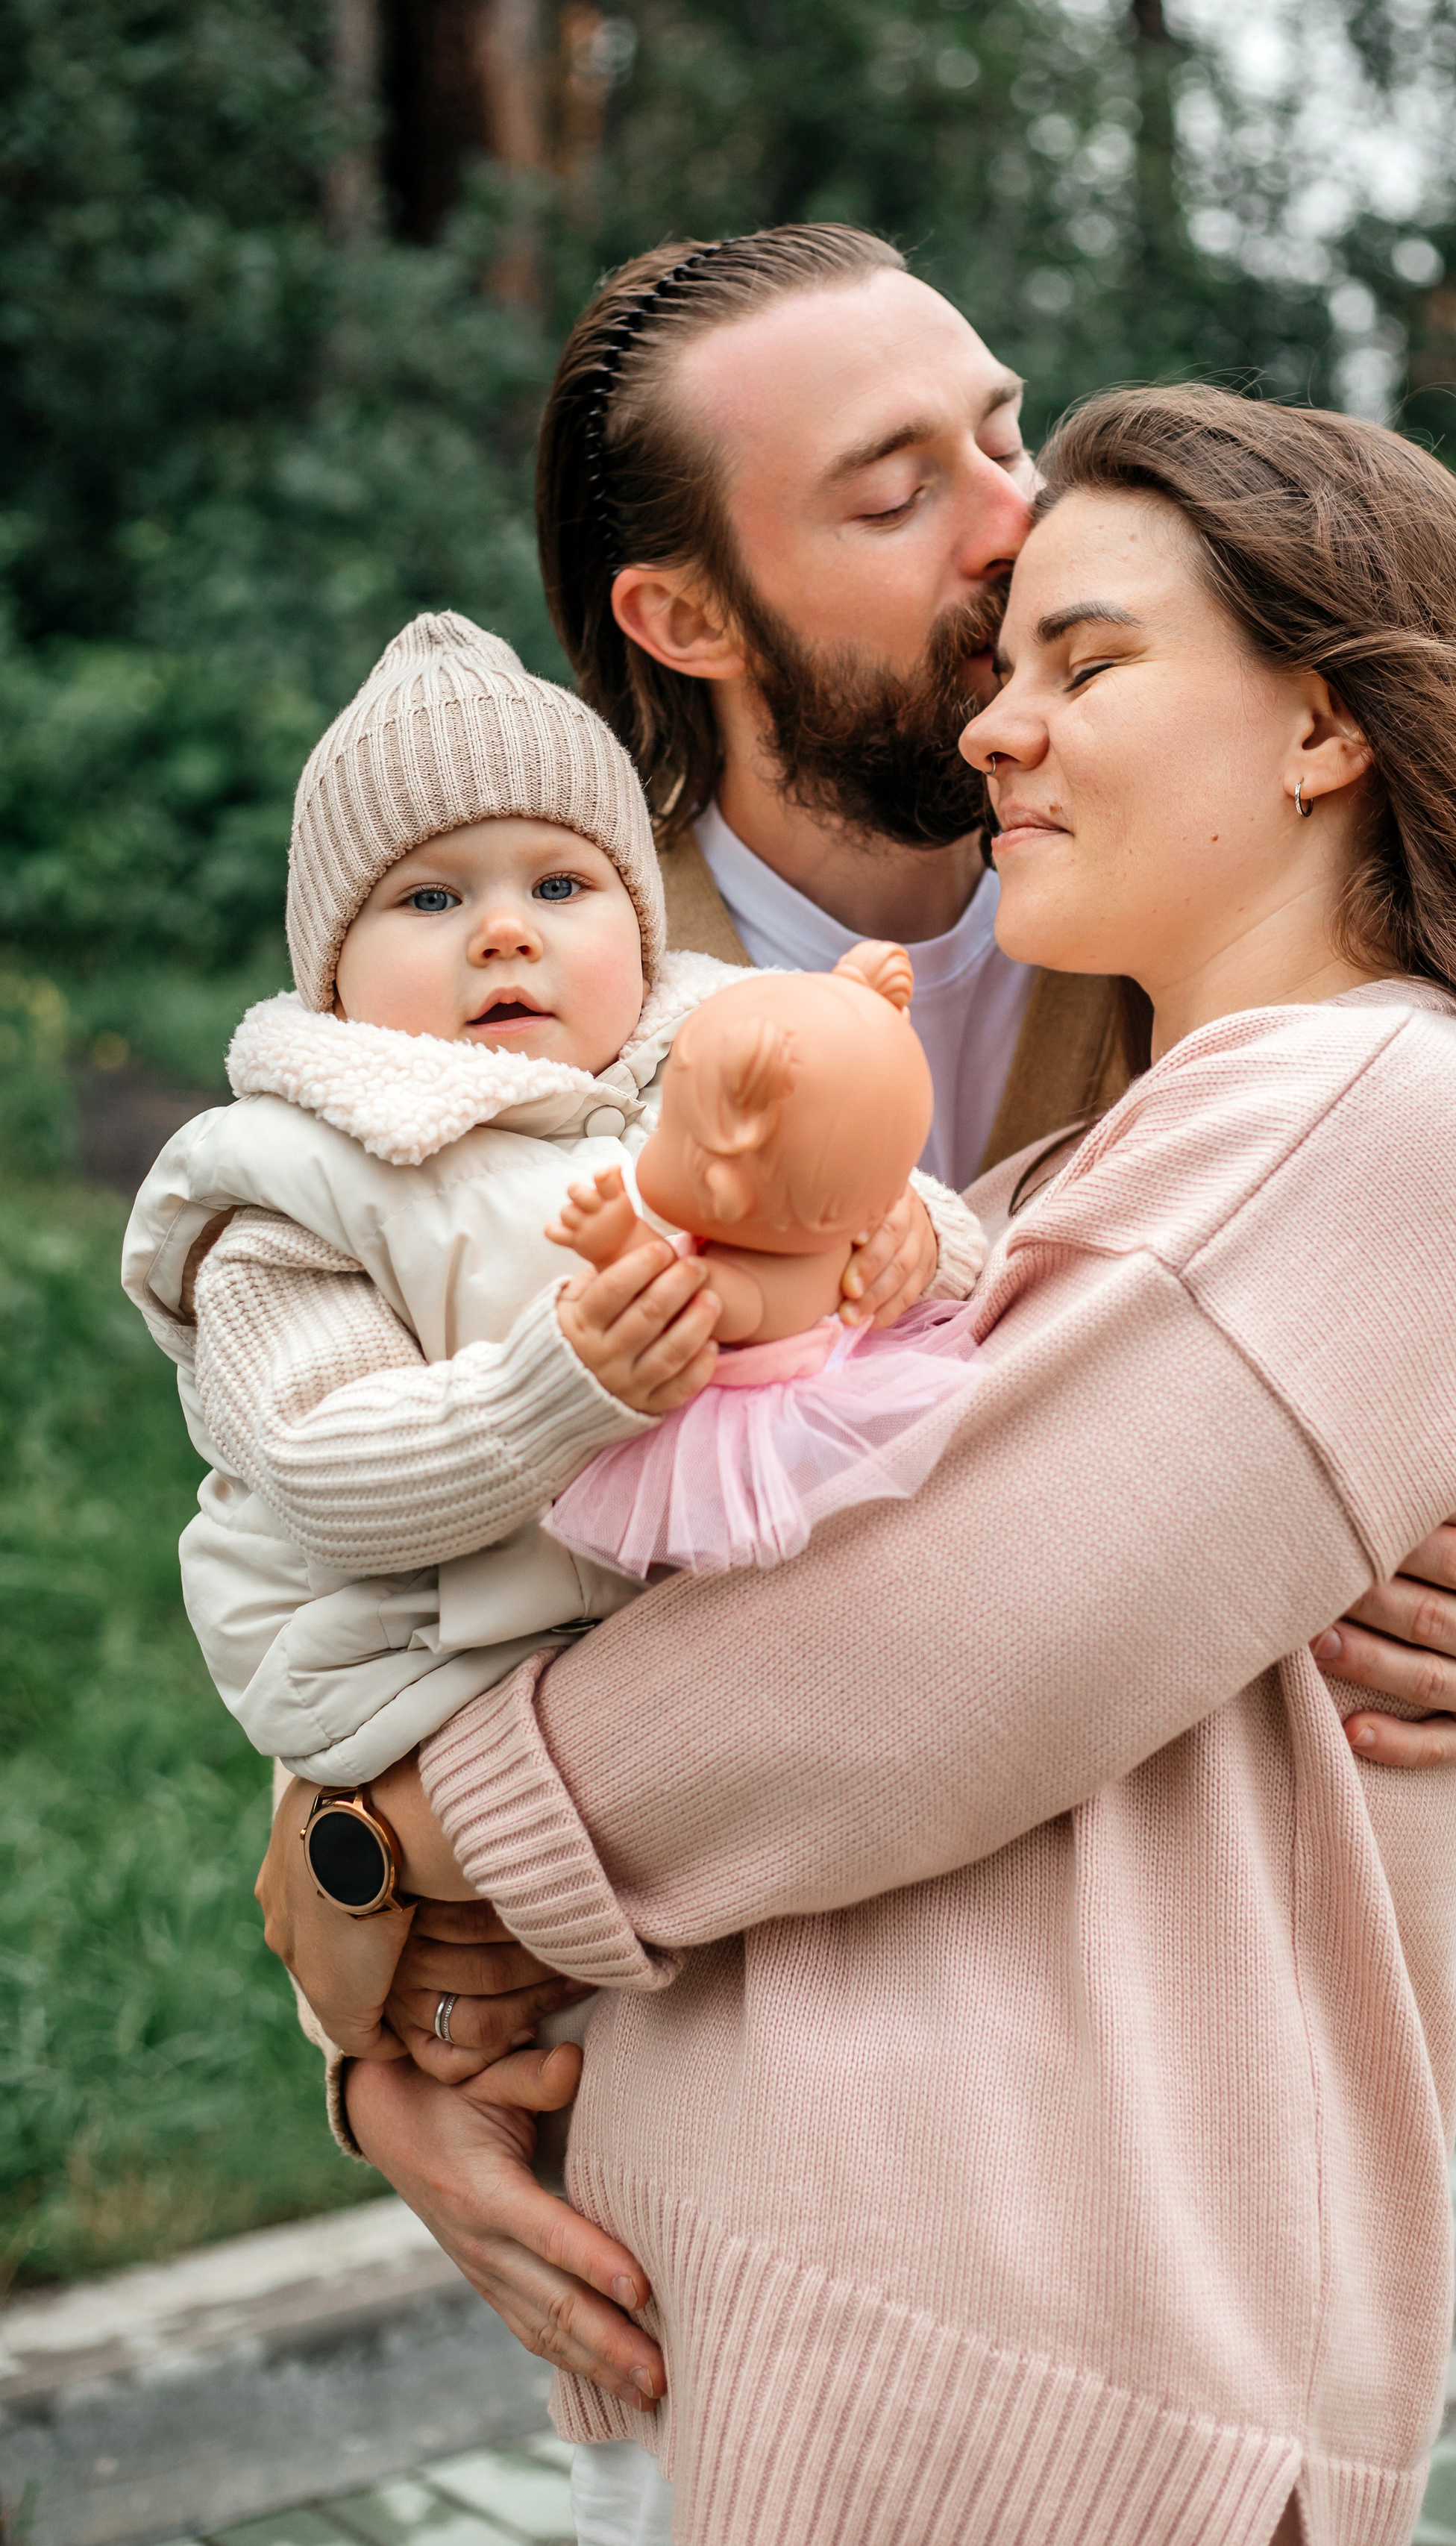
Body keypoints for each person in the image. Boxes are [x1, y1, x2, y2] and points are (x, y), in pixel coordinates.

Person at [263, 386, 1456, 2544]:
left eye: (1085, 663)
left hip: (1037, 2388)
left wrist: (408, 1826)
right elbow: (536, 1548)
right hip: (928, 2361)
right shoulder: (773, 1025)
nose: (997, 723)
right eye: (1000, 666)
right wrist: (376, 1979)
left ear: (1325, 730)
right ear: (681, 611)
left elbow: (895, 1656)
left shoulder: (1376, 1114)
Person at [122, 609, 982, 2059]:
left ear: (639, 928)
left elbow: (886, 1183)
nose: (505, 928)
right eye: (430, 900)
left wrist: (911, 1245)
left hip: (684, 1646)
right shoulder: (289, 1186)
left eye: (560, 882)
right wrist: (548, 1395)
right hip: (432, 1675)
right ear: (331, 973)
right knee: (531, 2044)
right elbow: (321, 1467)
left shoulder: (715, 1052)